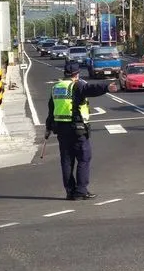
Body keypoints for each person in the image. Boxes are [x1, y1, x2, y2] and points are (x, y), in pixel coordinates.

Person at [45, 62, 112, 200]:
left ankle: (70, 191)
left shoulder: (56, 88)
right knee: (83, 158)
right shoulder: (77, 85)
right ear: (76, 74)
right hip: (77, 128)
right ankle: (81, 190)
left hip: (61, 129)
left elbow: (51, 110)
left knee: (66, 160)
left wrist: (48, 128)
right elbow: (91, 89)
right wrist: (107, 87)